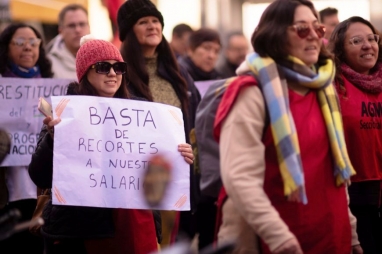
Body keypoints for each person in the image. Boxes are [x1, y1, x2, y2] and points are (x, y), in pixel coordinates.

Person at [213, 1, 362, 253]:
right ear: (276, 34)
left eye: (318, 29)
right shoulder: (252, 91)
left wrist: (352, 232)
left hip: (332, 233)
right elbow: (239, 178)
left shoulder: (323, 86)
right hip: (280, 237)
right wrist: (278, 236)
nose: (314, 36)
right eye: (302, 29)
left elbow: (335, 171)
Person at [28, 35, 194, 254]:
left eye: (119, 67)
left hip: (136, 222)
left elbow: (157, 168)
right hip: (83, 230)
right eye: (103, 67)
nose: (113, 73)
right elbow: (39, 175)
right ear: (84, 72)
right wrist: (53, 139)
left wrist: (180, 156)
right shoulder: (64, 114)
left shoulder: (142, 112)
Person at [116, 0, 200, 249]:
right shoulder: (118, 73)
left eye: (156, 21)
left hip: (174, 176)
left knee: (169, 244)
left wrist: (192, 156)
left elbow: (193, 125)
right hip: (134, 180)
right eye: (143, 22)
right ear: (129, 31)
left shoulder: (180, 74)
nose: (152, 26)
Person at [328, 16, 382, 254]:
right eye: (357, 41)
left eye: (372, 39)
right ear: (340, 49)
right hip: (352, 192)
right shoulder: (332, 85)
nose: (368, 45)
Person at [0, 22, 53, 253]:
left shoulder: (56, 87)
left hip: (45, 193)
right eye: (20, 43)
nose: (28, 48)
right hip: (8, 193)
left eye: (33, 42)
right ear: (6, 48)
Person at [46, 4, 90, 80]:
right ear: (61, 31)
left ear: (89, 27)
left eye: (82, 24)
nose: (78, 30)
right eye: (71, 25)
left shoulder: (103, 59)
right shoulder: (48, 63)